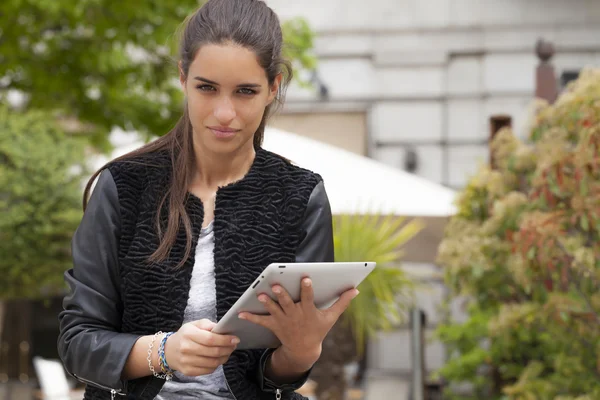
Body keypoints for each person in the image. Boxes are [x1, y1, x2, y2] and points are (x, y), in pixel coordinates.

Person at [57, 0, 360, 399]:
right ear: (183, 77)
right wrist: (162, 351)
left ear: (273, 86)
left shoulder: (300, 196)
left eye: (245, 92)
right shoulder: (124, 186)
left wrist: (301, 352)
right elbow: (77, 343)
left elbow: (278, 377)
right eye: (207, 88)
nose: (223, 112)